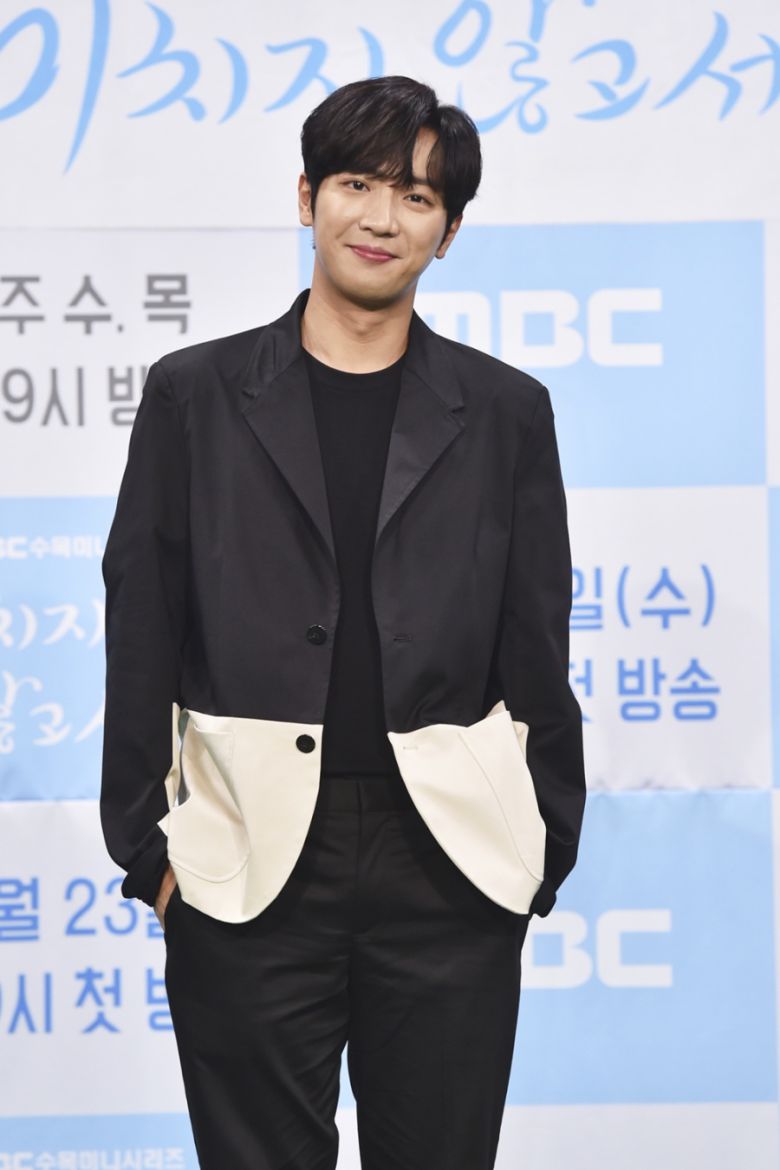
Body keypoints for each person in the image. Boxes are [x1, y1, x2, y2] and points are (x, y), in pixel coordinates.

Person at [100, 74, 586, 1170]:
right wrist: (150, 848)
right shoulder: (195, 395)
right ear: (307, 197)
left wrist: (542, 844)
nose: (381, 217)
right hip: (247, 858)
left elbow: (536, 640)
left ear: (448, 232)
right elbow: (143, 619)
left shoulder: (506, 411)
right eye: (358, 184)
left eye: (416, 196)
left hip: (451, 859)